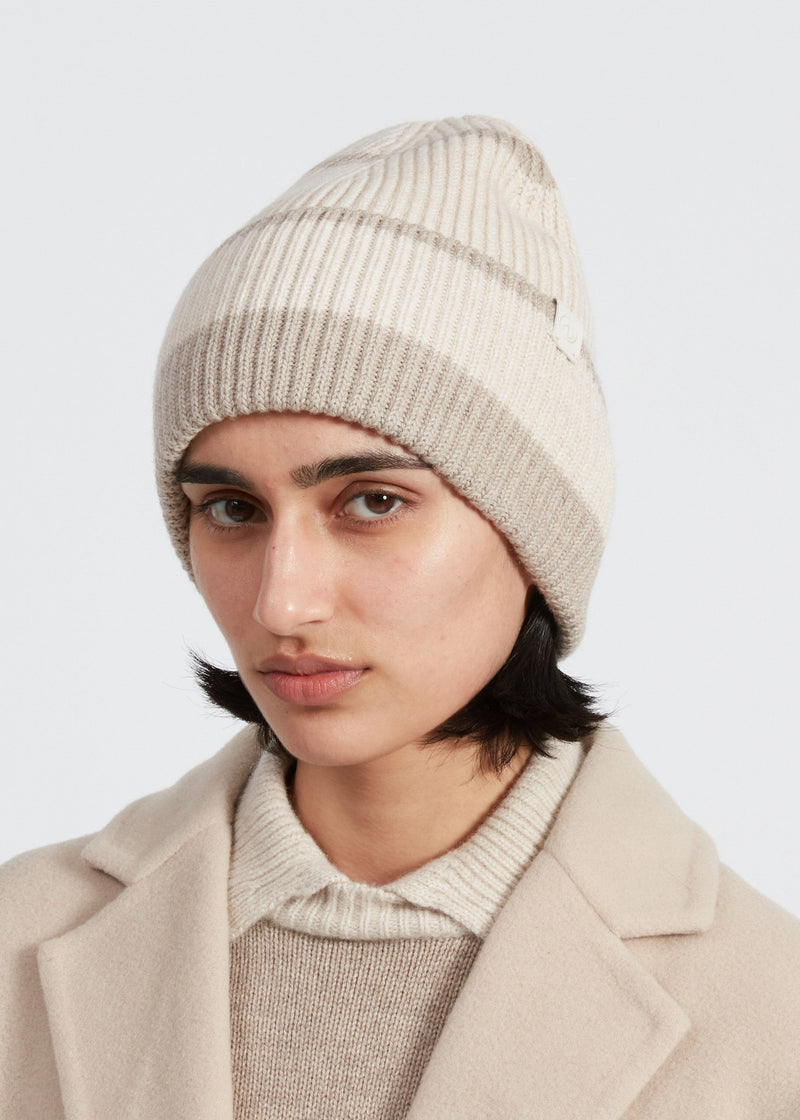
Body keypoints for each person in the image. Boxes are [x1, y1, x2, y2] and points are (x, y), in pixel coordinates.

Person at [1, 115, 799, 1120]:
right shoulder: (19, 939)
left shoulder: (769, 1014)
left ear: (534, 531)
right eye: (232, 509)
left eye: (372, 501)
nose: (282, 600)